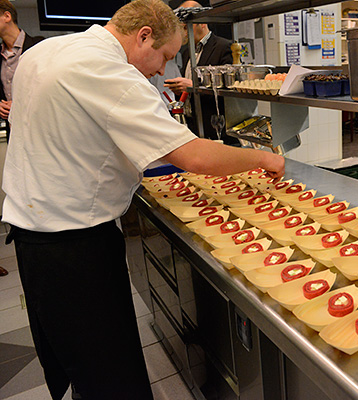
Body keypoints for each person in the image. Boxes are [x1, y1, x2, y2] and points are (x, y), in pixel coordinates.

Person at [2, 0, 284, 399]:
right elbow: (194, 156)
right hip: (74, 246)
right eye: (165, 57)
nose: (162, 70)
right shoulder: (108, 71)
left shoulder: (46, 50)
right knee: (111, 376)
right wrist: (264, 157)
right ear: (144, 36)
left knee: (80, 361)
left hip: (34, 239)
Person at [164, 0, 234, 142]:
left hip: (217, 126)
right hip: (194, 125)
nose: (184, 33)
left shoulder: (224, 47)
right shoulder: (187, 52)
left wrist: (194, 86)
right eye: (183, 28)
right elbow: (189, 87)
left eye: (186, 27)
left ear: (202, 22)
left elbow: (230, 89)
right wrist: (182, 91)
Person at [0, 0, 43, 140]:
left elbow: (48, 86)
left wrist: (20, 103)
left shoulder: (39, 45)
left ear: (7, 16)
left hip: (39, 127)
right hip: (12, 132)